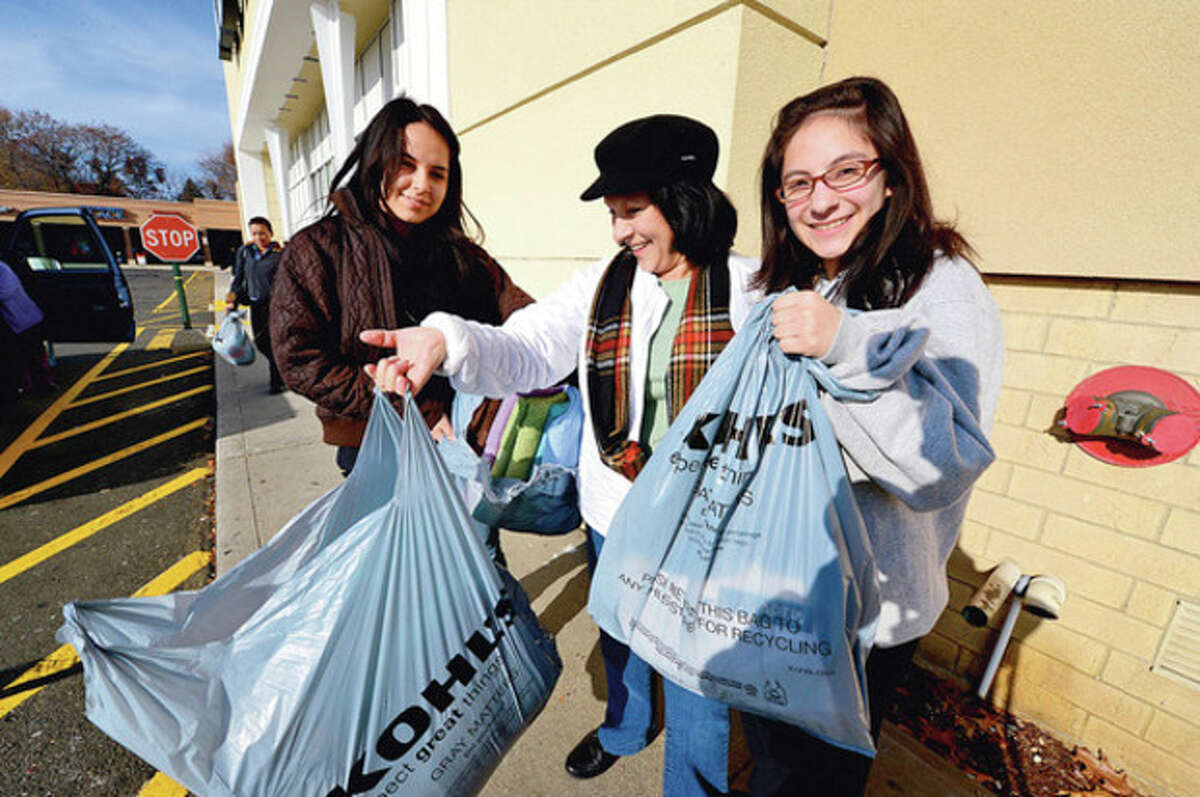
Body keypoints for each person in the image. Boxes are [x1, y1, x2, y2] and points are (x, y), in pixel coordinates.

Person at [362, 114, 761, 796]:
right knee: (620, 632)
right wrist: (443, 341)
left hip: (709, 525)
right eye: (613, 213)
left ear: (686, 199)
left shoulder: (755, 294)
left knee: (700, 673)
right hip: (615, 510)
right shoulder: (605, 285)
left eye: (634, 211)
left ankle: (693, 784)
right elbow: (527, 345)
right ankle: (625, 728)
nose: (620, 231)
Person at [744, 76, 1004, 795]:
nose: (819, 200)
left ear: (892, 176)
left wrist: (841, 346)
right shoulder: (802, 283)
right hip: (773, 591)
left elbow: (942, 465)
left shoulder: (943, 289)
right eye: (797, 184)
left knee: (815, 780)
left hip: (863, 620)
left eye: (846, 171)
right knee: (773, 766)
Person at [269, 96, 533, 480]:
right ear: (377, 160)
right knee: (396, 542)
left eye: (437, 173)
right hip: (372, 447)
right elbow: (298, 358)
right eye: (406, 166)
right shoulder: (318, 248)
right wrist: (406, 405)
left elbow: (522, 317)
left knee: (475, 542)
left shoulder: (462, 254)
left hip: (462, 442)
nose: (421, 185)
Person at [226, 216, 285, 393]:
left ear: (270, 233)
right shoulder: (245, 252)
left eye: (262, 233)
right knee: (261, 343)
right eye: (254, 233)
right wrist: (230, 301)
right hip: (255, 305)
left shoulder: (279, 255)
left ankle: (276, 381)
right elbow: (237, 279)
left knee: (274, 342)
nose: (259, 237)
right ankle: (282, 370)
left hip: (275, 306)